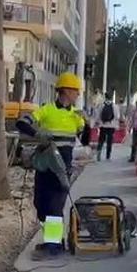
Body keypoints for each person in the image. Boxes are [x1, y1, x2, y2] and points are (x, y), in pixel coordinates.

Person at [16, 72, 86, 260]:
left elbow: (85, 140)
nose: (77, 95)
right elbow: (22, 123)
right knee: (41, 205)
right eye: (75, 91)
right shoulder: (46, 110)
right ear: (65, 91)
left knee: (55, 207)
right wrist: (37, 133)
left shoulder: (76, 116)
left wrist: (86, 123)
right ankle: (51, 239)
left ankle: (53, 246)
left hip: (62, 170)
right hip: (44, 168)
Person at [95, 93, 121, 161]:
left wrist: (98, 122)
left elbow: (97, 115)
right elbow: (117, 116)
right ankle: (108, 156)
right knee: (109, 141)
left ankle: (99, 152)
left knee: (101, 140)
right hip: (111, 126)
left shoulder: (101, 105)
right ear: (112, 97)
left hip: (103, 125)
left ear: (105, 97)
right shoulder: (114, 106)